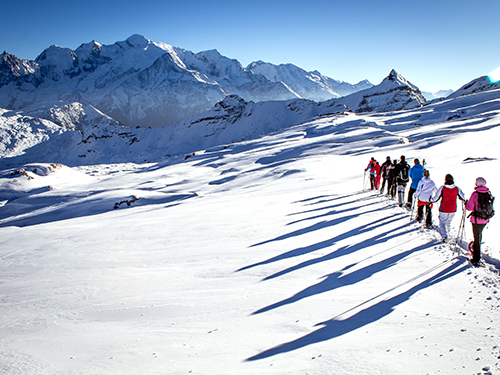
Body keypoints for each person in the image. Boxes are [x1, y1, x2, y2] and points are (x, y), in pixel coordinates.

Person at [465, 177, 492, 266]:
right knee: (479, 236)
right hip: (485, 219)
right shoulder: (488, 193)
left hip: (476, 220)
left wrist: (466, 204)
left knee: (477, 237)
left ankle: (476, 258)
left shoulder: (475, 194)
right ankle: (476, 250)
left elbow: (469, 207)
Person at [431, 174, 466, 242]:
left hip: (444, 208)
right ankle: (448, 233)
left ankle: (444, 236)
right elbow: (463, 197)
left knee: (442, 222)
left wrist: (431, 200)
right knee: (448, 222)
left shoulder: (443, 188)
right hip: (453, 208)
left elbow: (436, 198)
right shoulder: (456, 188)